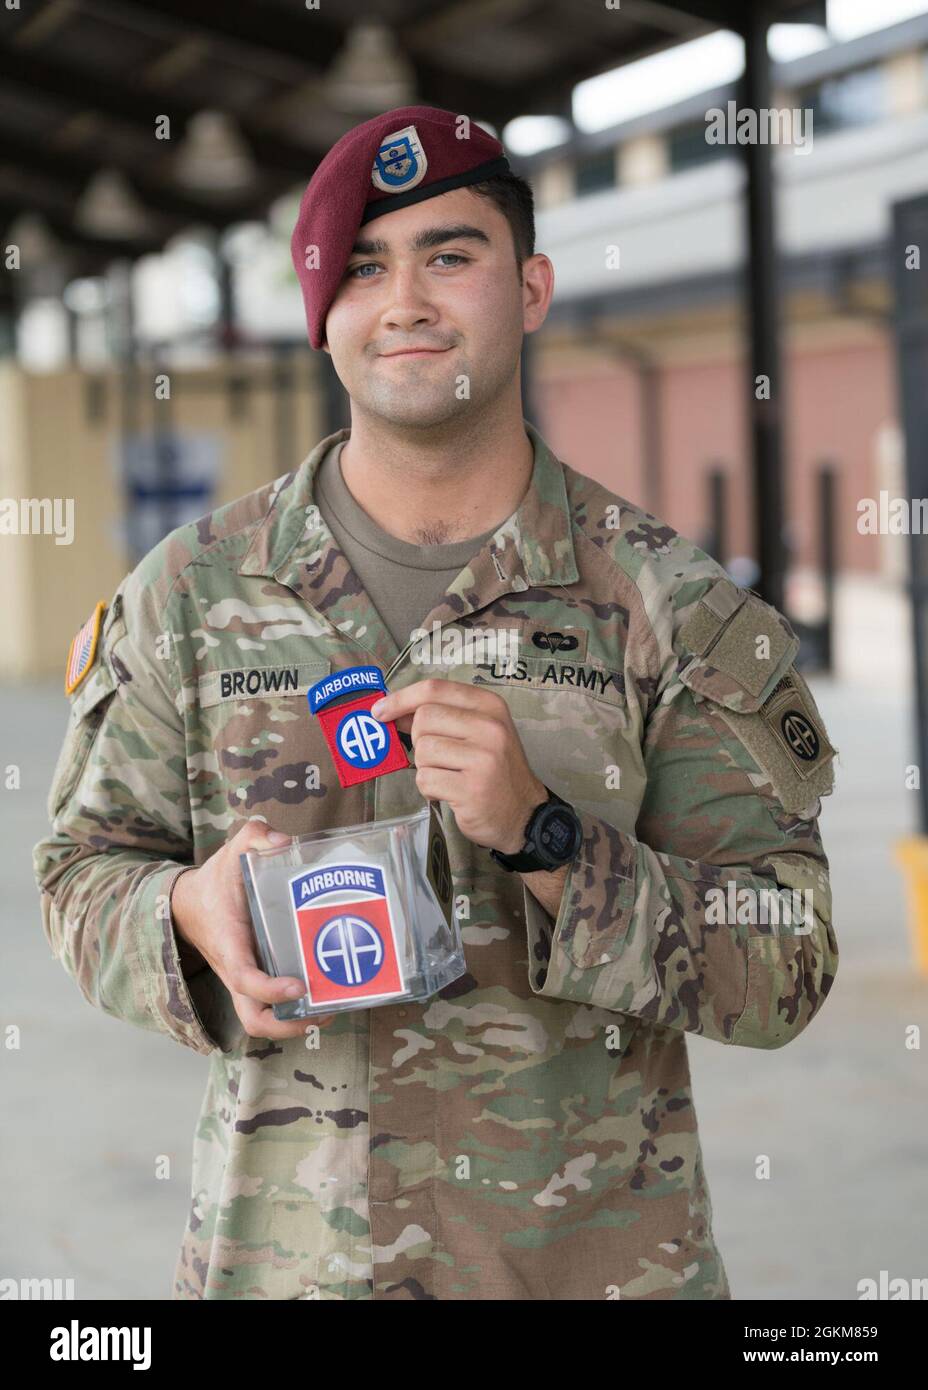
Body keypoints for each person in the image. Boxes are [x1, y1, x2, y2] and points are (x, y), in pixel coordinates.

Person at [33, 104, 839, 1301]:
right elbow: (80, 871)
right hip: (283, 1268)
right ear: (324, 317)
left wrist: (551, 840)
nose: (403, 300)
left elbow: (788, 955)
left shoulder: (663, 602)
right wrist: (181, 912)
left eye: (448, 255)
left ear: (531, 289)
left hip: (590, 1273)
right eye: (361, 268)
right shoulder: (190, 597)